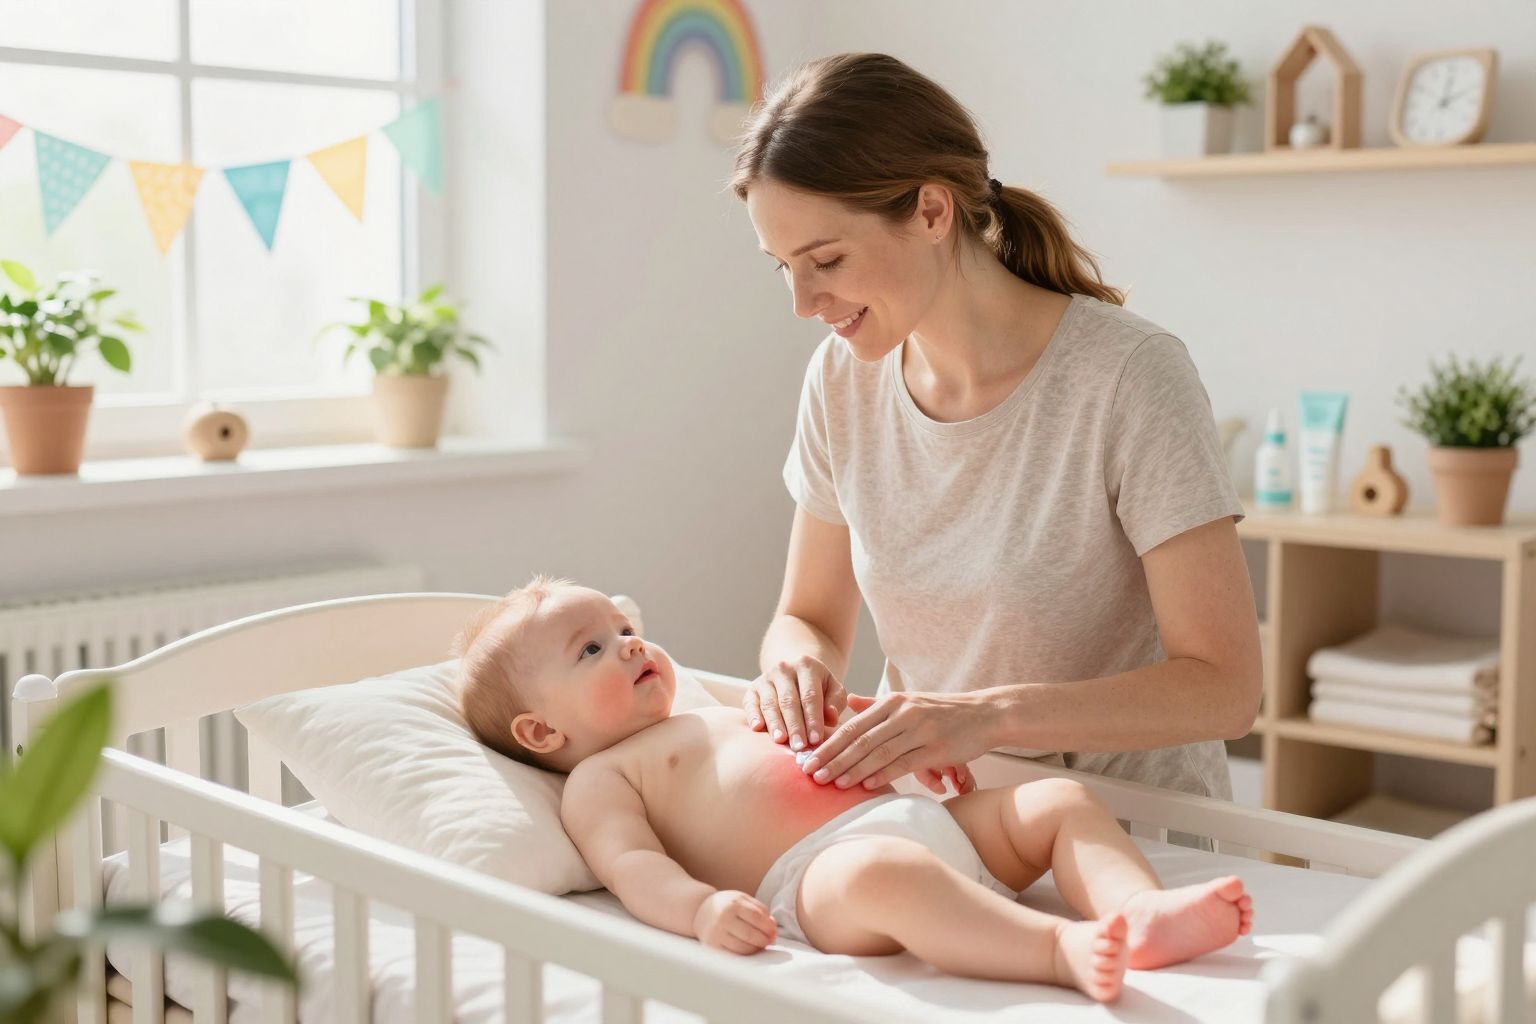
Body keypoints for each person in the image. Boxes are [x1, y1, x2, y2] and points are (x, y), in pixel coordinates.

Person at [731, 53, 1262, 801]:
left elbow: (1225, 690)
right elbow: (808, 616)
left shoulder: (1128, 377)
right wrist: (794, 665)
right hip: (939, 821)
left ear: (931, 211)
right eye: (782, 266)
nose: (803, 301)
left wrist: (990, 717)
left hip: (1129, 828)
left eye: (826, 259)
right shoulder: (840, 378)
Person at [455, 578, 1254, 1003]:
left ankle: (1137, 909)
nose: (630, 646)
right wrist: (699, 909)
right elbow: (631, 868)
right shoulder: (602, 779)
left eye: (625, 629)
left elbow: (831, 743)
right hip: (819, 880)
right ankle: (1055, 950)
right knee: (886, 878)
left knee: (1059, 803)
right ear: (540, 734)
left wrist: (910, 758)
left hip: (912, 816)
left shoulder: (719, 706)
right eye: (591, 648)